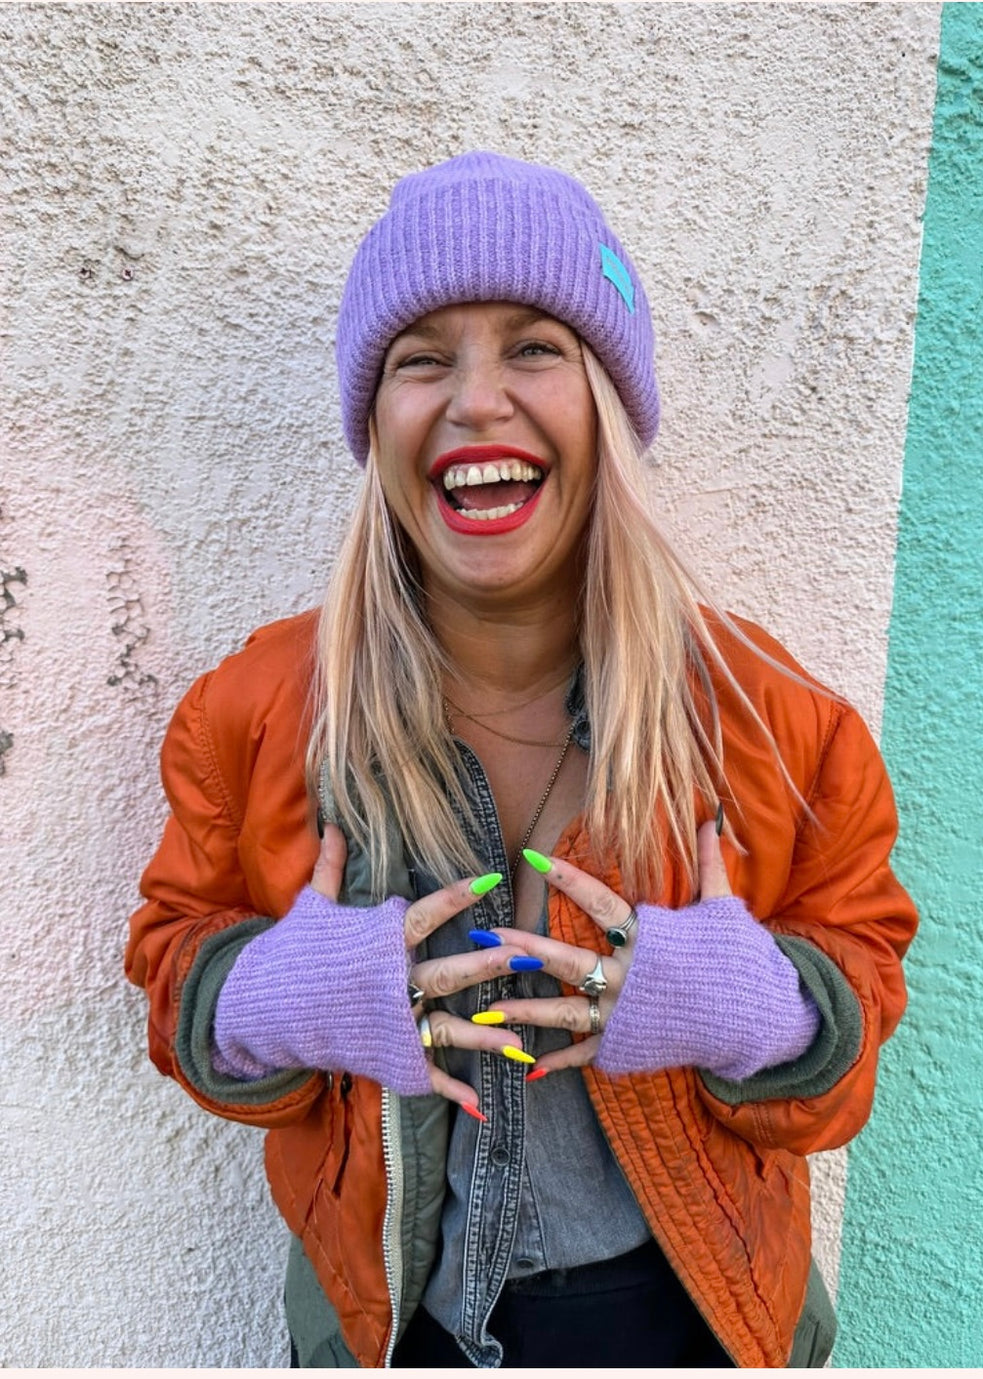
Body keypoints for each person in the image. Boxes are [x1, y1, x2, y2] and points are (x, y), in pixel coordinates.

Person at [125, 151, 917, 1369]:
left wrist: (765, 1008)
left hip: (701, 1324)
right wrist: (263, 997)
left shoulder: (773, 721)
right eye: (421, 357)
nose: (475, 400)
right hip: (391, 1328)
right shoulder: (255, 713)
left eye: (535, 345)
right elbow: (178, 978)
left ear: (607, 395)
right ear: (374, 417)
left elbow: (853, 1016)